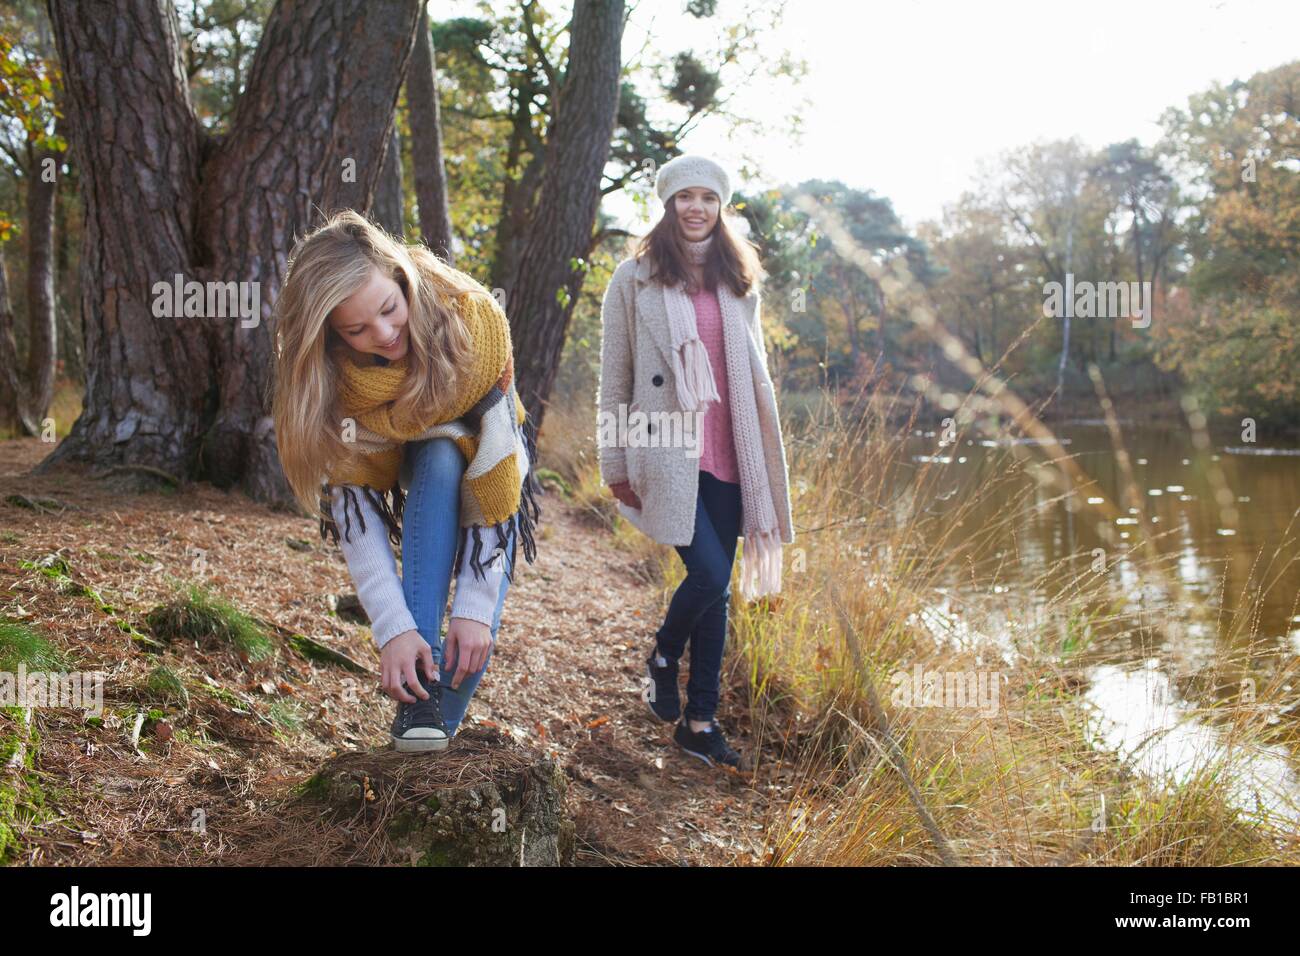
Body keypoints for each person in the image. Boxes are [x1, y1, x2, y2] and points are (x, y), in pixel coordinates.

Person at [271, 210, 541, 752]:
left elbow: (502, 459)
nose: (385, 334)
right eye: (357, 330)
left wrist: (473, 608)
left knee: (448, 459)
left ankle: (426, 726)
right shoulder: (344, 384)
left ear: (400, 277)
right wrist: (393, 629)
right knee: (438, 455)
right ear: (331, 335)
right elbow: (357, 514)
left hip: (495, 467)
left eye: (389, 310)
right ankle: (422, 717)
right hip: (420, 463)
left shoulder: (472, 322)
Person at [596, 155, 794, 770]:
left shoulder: (739, 279)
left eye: (708, 197)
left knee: (719, 595)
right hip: (668, 450)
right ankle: (663, 654)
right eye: (685, 196)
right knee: (708, 576)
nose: (696, 207)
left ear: (721, 207)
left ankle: (700, 722)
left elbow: (753, 375)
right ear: (668, 203)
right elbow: (616, 377)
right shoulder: (634, 278)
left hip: (734, 453)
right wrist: (613, 462)